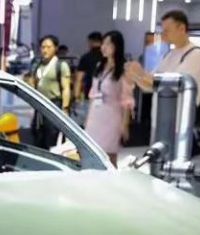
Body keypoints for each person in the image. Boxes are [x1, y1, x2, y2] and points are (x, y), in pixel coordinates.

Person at [126, 10, 200, 141]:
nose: (164, 35)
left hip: (178, 122)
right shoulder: (169, 54)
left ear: (181, 28)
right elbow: (151, 85)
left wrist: (141, 73)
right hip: (159, 118)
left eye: (167, 31)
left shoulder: (195, 54)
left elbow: (172, 83)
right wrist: (135, 76)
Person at [84, 31, 134, 166]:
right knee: (92, 152)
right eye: (103, 44)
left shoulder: (123, 69)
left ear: (117, 46)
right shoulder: (99, 66)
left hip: (112, 116)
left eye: (108, 44)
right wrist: (88, 117)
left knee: (110, 155)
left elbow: (127, 99)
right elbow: (93, 92)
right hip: (95, 115)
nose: (104, 47)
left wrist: (124, 124)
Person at [27, 35, 72, 149]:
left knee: (51, 136)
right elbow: (33, 82)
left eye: (48, 47)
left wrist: (65, 108)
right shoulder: (38, 65)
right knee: (37, 134)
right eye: (43, 47)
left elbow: (66, 88)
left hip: (54, 104)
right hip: (39, 104)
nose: (45, 50)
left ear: (55, 48)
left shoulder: (61, 65)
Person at [74, 32, 103, 101]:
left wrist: (76, 97)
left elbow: (79, 79)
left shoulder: (86, 57)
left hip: (90, 91)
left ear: (90, 41)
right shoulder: (109, 56)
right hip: (108, 93)